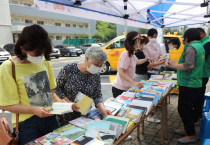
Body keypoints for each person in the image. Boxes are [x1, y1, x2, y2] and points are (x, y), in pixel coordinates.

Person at [0, 24, 75, 145]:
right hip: (27, 124)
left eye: (43, 53)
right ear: (23, 49)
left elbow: (51, 93)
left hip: (51, 118)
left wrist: (64, 104)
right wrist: (33, 110)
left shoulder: (45, 62)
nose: (40, 57)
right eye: (36, 54)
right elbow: (6, 105)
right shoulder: (9, 67)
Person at [55, 46, 112, 125]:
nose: (98, 68)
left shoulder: (96, 74)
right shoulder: (69, 69)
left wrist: (103, 109)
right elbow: (57, 88)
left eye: (100, 65)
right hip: (66, 114)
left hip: (85, 116)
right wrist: (69, 103)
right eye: (96, 64)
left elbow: (97, 95)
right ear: (87, 59)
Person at [167, 28, 205, 144]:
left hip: (189, 83)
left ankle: (190, 135)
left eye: (184, 37)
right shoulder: (200, 46)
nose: (183, 40)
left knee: (184, 109)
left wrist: (174, 64)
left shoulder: (191, 47)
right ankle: (188, 129)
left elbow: (189, 65)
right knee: (187, 108)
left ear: (187, 37)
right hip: (195, 82)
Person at [135, 36, 165, 123]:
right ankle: (148, 116)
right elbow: (148, 65)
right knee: (143, 97)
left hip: (143, 74)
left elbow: (147, 63)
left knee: (145, 95)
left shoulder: (140, 52)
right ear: (141, 43)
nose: (146, 45)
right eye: (145, 43)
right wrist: (161, 62)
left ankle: (149, 115)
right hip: (140, 76)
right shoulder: (138, 52)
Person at [112, 31, 148, 98]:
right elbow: (121, 72)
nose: (140, 43)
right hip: (120, 88)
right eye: (140, 40)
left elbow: (138, 61)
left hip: (126, 87)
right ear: (137, 40)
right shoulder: (126, 54)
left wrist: (147, 59)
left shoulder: (131, 53)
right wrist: (134, 82)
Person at [194, 28, 210, 124]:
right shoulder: (204, 42)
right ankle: (197, 115)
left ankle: (196, 117)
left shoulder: (207, 43)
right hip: (201, 73)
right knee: (198, 96)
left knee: (198, 96)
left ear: (201, 34)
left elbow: (201, 57)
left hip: (202, 73)